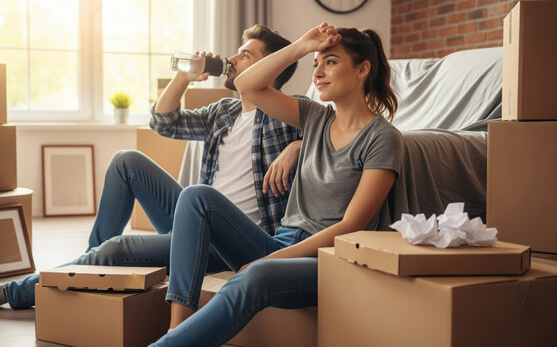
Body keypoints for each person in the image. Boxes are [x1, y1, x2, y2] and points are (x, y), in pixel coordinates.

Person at [0, 25, 304, 311]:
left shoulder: (292, 113)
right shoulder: (225, 111)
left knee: (122, 245)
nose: (233, 59)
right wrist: (183, 77)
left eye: (246, 55)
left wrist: (298, 145)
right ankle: (92, 265)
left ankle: (2, 293)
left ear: (272, 69)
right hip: (193, 218)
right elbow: (164, 123)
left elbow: (342, 135)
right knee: (127, 161)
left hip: (229, 240)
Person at [150, 22, 404, 347]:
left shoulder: (383, 139)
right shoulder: (316, 117)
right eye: (316, 63)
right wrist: (302, 45)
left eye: (330, 61)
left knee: (255, 275)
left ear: (362, 69)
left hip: (328, 259)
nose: (318, 72)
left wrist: (268, 261)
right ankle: (177, 330)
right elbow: (247, 85)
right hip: (280, 240)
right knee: (196, 196)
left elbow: (351, 225)